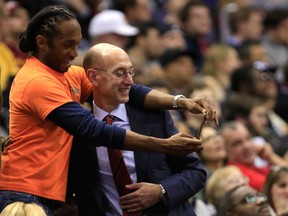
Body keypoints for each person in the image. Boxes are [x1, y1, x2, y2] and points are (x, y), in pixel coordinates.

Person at [0, 5, 217, 216]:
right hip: (24, 191)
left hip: (45, 190)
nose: (75, 53)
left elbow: (131, 90)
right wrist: (164, 145)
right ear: (42, 42)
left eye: (77, 44)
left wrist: (180, 102)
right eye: (68, 45)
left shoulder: (66, 74)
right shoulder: (37, 80)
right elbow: (94, 129)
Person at [68, 42, 207, 215]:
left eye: (130, 72)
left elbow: (196, 172)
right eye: (120, 73)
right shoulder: (78, 126)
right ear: (94, 77)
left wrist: (161, 191)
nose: (129, 81)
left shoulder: (153, 116)